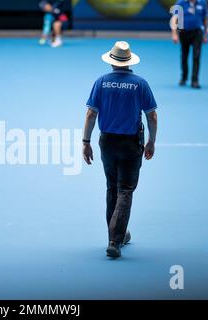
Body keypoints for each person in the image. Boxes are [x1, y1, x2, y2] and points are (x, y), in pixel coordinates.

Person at [82, 41, 158, 258]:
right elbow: (151, 115)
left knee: (112, 187)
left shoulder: (101, 82)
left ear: (112, 61)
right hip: (131, 143)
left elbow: (90, 115)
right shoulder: (140, 83)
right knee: (125, 189)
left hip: (107, 142)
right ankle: (116, 240)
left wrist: (85, 141)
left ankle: (116, 234)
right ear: (129, 61)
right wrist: (152, 140)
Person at [171, 0, 208, 88]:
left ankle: (195, 80)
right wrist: (174, 34)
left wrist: (206, 34)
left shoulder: (202, 3)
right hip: (184, 32)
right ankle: (184, 77)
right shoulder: (180, 3)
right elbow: (174, 19)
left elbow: (205, 19)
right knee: (184, 55)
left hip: (197, 33)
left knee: (196, 56)